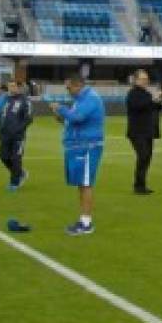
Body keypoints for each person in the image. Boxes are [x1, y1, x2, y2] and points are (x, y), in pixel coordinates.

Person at [52, 74, 105, 236]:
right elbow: (72, 121)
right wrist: (60, 116)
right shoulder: (80, 100)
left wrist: (60, 108)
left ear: (78, 85)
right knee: (82, 184)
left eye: (69, 88)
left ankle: (86, 223)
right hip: (78, 146)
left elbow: (78, 117)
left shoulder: (91, 98)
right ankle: (83, 219)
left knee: (86, 183)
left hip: (88, 147)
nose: (68, 91)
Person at [126, 70, 162, 192]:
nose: (145, 81)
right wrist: (152, 99)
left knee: (147, 157)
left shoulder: (147, 94)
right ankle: (138, 185)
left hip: (148, 131)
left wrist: (159, 100)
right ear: (136, 80)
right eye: (143, 79)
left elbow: (156, 108)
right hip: (137, 132)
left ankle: (141, 184)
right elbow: (138, 106)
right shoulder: (132, 94)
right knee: (143, 156)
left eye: (146, 79)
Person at [0, 81, 33, 191]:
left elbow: (29, 118)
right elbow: (3, 116)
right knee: (3, 157)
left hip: (18, 136)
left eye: (13, 86)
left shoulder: (25, 101)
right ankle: (20, 173)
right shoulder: (7, 100)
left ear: (19, 88)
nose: (11, 88)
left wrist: (18, 129)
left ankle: (14, 183)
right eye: (9, 86)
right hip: (5, 135)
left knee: (16, 158)